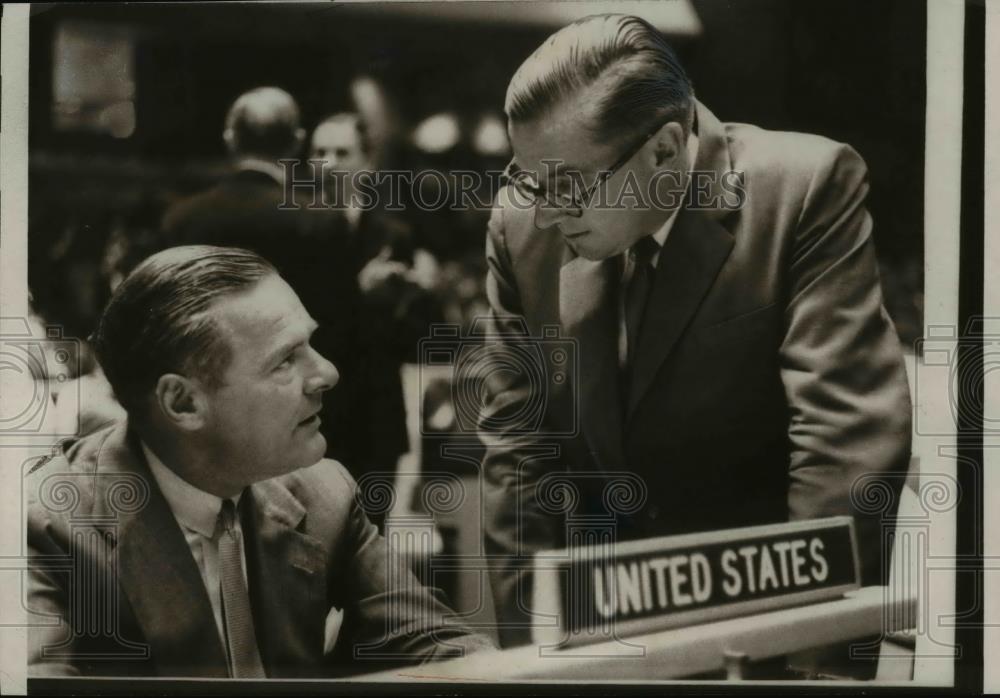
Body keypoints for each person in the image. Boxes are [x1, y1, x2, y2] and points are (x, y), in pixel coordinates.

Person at [479, 13, 912, 655]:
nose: (543, 210)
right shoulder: (521, 228)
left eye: (566, 187)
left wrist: (804, 662)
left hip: (768, 626)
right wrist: (538, 659)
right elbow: (519, 458)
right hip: (596, 636)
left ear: (663, 149)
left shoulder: (803, 188)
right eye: (526, 177)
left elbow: (843, 449)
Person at [26, 246, 495, 678]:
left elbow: (432, 643)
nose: (327, 373)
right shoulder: (44, 530)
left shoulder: (322, 492)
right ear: (183, 403)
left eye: (311, 344)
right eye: (285, 360)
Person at [160, 87, 364, 480]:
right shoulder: (320, 222)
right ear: (297, 142)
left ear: (230, 138)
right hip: (299, 410)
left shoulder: (182, 219)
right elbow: (343, 332)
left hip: (210, 407)